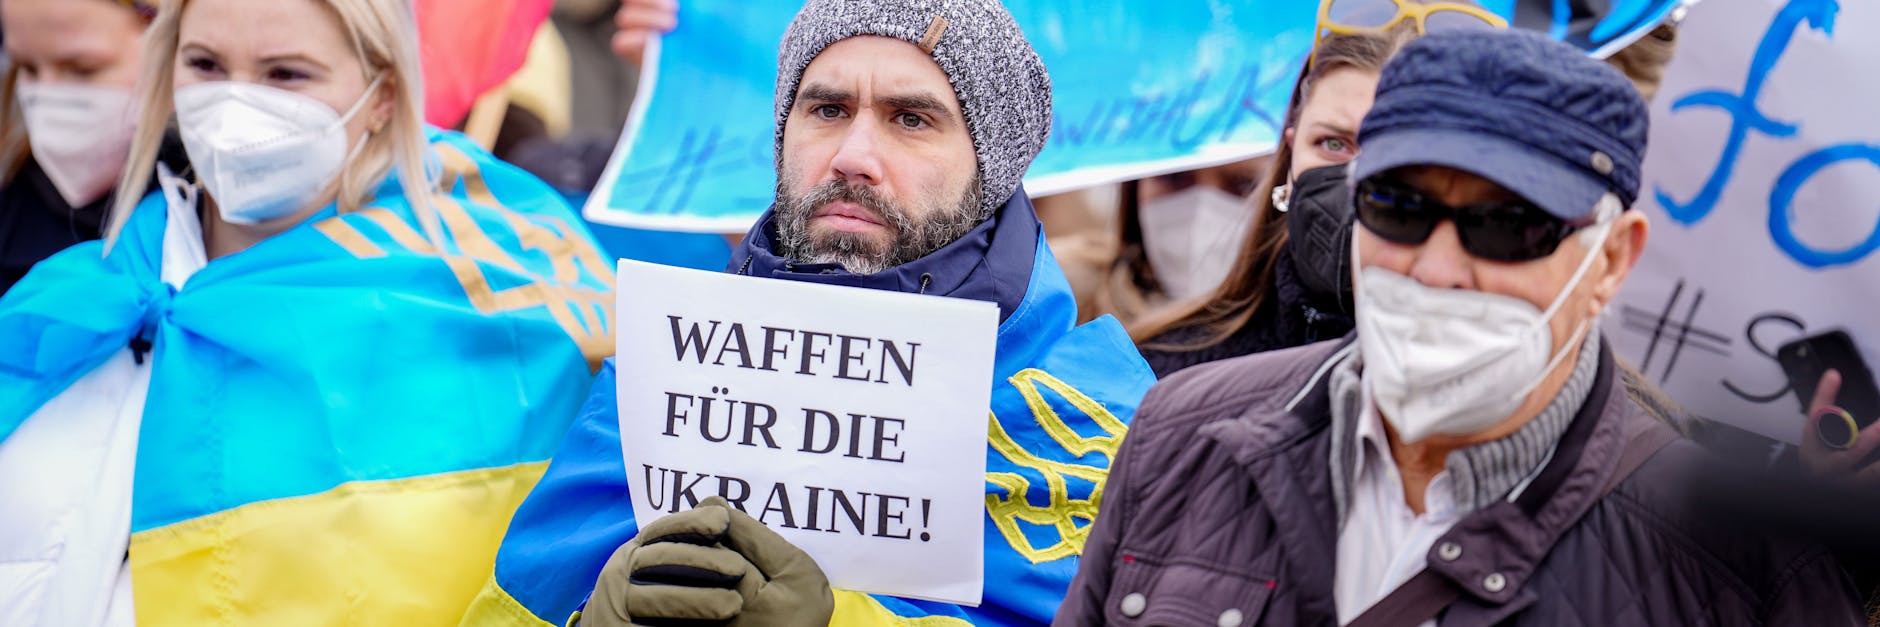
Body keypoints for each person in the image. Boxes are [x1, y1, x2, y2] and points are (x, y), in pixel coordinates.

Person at [1056, 29, 1865, 626]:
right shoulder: (1179, 435)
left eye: (1507, 225)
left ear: (1613, 258)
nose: (1437, 267)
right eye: (1399, 209)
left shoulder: (1737, 558)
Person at [463, 0, 1155, 625]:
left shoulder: (1100, 420)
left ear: (991, 170)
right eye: (826, 110)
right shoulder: (656, 375)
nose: (853, 156)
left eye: (910, 119)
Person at [0, 0, 614, 623]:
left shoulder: (476, 302)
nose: (236, 104)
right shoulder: (80, 295)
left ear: (383, 95)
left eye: (286, 74)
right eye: (205, 64)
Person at [1129, 26, 1417, 378]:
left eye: (1393, 151)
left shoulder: (1488, 384)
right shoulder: (1157, 375)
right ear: (1291, 154)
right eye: (1333, 144)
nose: (1357, 176)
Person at [0, 0, 160, 295]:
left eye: (83, 69)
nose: (47, 92)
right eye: (28, 68)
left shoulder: (213, 219)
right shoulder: (12, 199)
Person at [1051, 158, 1269, 327]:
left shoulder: (1295, 330)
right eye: (1174, 177)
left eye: (1245, 183)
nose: (1200, 208)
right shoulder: (1055, 296)